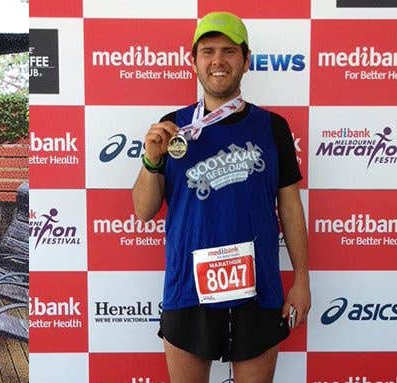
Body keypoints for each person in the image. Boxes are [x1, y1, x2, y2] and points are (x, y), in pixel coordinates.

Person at [132, 12, 310, 383]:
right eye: (207, 51)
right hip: (188, 289)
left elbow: (290, 207)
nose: (218, 61)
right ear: (192, 60)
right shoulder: (172, 127)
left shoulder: (273, 127)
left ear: (246, 60)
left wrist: (302, 279)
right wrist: (151, 160)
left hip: (258, 289)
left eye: (229, 51)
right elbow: (144, 210)